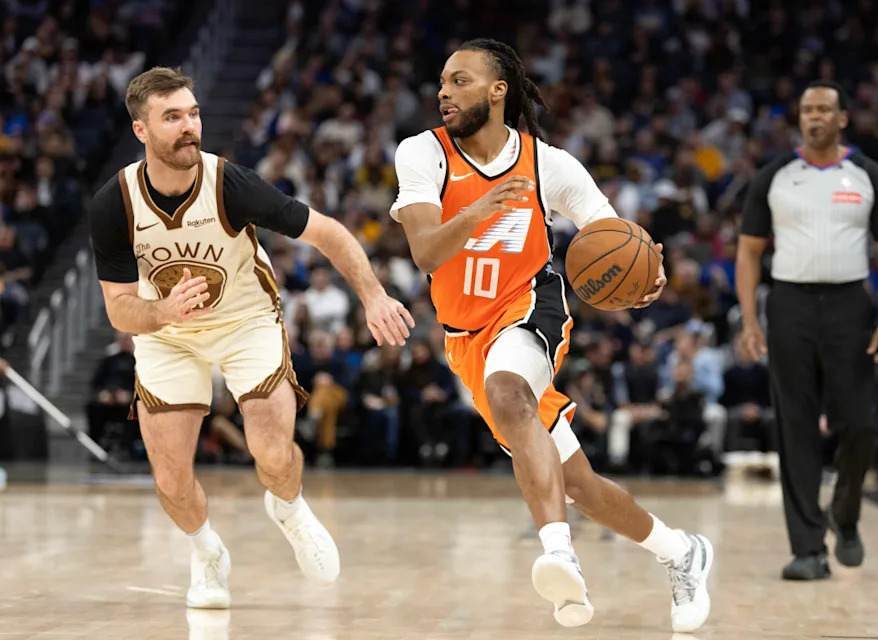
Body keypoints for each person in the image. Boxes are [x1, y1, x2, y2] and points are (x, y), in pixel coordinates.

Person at [390, 39, 713, 632]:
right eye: (441, 81)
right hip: (465, 337)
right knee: (581, 484)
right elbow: (425, 254)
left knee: (510, 392)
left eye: (460, 80)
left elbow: (607, 231)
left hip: (531, 304)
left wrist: (648, 269)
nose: (443, 91)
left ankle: (559, 554)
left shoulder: (549, 165)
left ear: (497, 91)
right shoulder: (421, 154)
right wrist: (478, 208)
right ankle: (683, 552)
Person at [89, 67, 414, 609]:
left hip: (245, 321)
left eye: (193, 113)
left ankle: (288, 508)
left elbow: (328, 232)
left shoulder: (230, 184)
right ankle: (207, 553)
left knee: (272, 451)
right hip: (167, 332)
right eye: (172, 117)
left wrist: (374, 295)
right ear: (141, 130)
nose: (189, 126)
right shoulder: (114, 203)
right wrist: (164, 310)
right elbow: (121, 310)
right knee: (171, 481)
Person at [736, 80, 878, 580]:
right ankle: (808, 549)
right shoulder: (774, 176)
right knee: (796, 427)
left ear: (842, 118)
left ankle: (845, 515)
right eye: (807, 109)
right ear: (800, 118)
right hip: (788, 304)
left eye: (825, 109)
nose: (815, 117)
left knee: (860, 426)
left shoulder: (870, 175)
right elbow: (748, 251)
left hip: (851, 305)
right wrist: (750, 318)